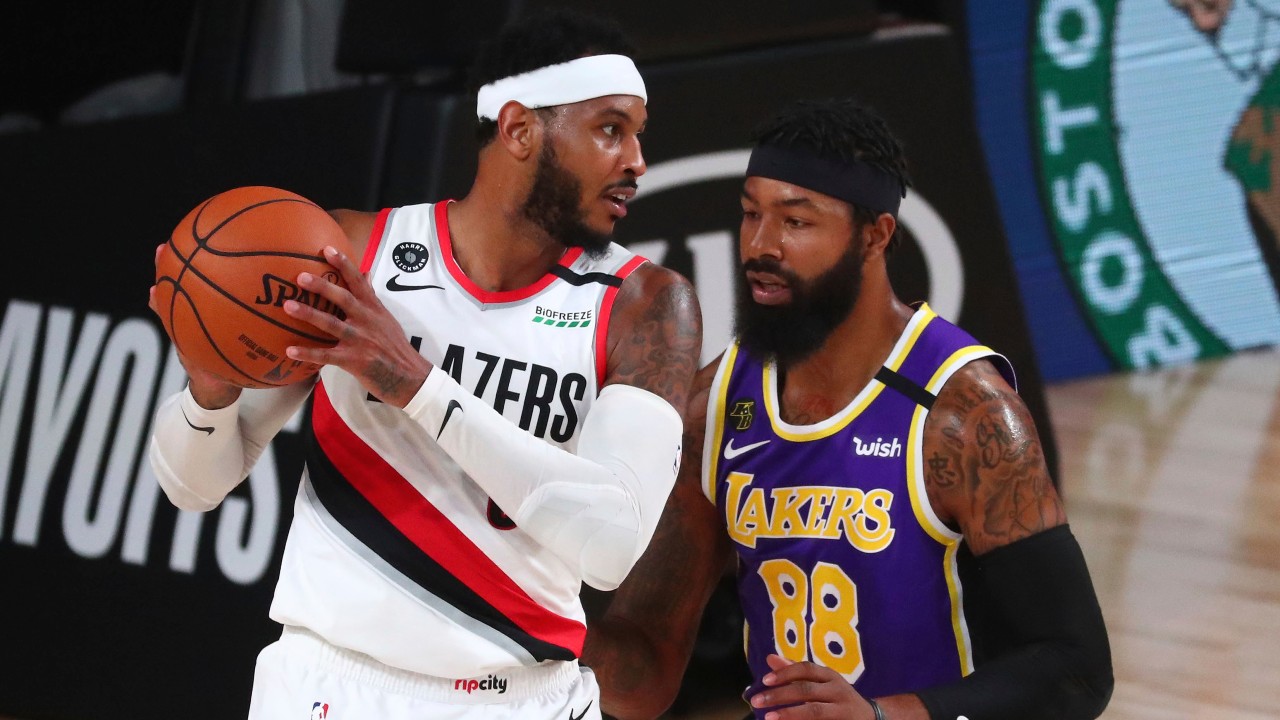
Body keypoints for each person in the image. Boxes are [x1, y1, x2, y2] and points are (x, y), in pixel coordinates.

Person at [146, 9, 701, 720]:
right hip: (328, 687)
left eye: (638, 135)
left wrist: (414, 385)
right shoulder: (353, 255)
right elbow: (194, 488)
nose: (636, 163)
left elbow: (611, 547)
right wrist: (211, 390)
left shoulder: (647, 306)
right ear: (519, 128)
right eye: (609, 129)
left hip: (522, 699)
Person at [582, 98, 1113, 720]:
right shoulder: (717, 408)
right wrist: (526, 618)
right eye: (751, 214)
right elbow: (642, 673)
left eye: (795, 222)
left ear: (875, 235)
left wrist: (884, 716)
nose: (759, 246)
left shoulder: (965, 415)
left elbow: (1076, 670)